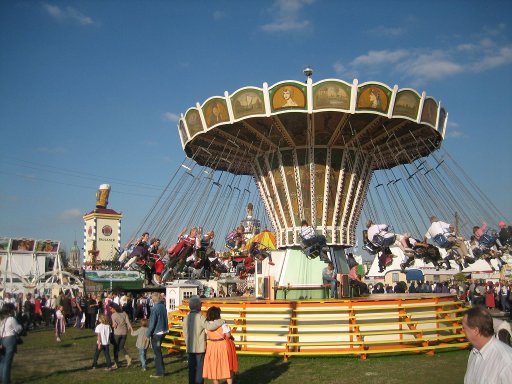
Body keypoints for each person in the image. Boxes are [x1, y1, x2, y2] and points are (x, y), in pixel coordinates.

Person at [462, 306, 512, 383]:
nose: (462, 330)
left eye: (464, 327)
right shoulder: (474, 352)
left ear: (476, 331)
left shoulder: (506, 360)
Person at [183, 296, 224, 384]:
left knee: (191, 368)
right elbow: (209, 327)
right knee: (199, 367)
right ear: (198, 306)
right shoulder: (200, 317)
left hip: (190, 346)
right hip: (199, 347)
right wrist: (220, 321)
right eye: (200, 305)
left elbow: (185, 332)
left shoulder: (186, 317)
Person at [203, 306, 238, 384]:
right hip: (222, 345)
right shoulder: (222, 324)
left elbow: (206, 336)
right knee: (226, 365)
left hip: (211, 345)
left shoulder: (207, 325)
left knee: (213, 365)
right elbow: (228, 335)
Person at [145, 292, 168, 378]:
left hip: (157, 332)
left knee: (157, 353)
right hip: (164, 330)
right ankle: (161, 370)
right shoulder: (163, 307)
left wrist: (147, 334)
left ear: (153, 300)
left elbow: (152, 323)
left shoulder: (155, 309)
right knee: (158, 352)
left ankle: (160, 372)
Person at [0, 303, 23, 384]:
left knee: (2, 361)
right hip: (10, 339)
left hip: (2, 339)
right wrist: (20, 326)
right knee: (7, 362)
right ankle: (6, 381)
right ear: (10, 310)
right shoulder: (11, 319)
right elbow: (18, 329)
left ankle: (2, 379)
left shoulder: (1, 319)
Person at [110, 303, 133, 369]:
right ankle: (128, 359)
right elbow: (128, 322)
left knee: (115, 349)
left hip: (117, 333)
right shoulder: (124, 313)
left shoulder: (113, 315)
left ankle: (116, 363)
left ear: (114, 308)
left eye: (111, 308)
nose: (110, 310)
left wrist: (112, 325)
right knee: (121, 347)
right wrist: (131, 329)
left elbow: (114, 325)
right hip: (124, 333)